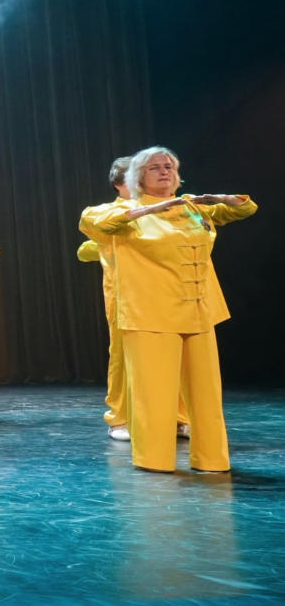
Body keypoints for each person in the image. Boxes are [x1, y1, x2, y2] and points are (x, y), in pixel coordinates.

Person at [79, 146, 255, 473]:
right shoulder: (124, 211)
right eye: (154, 167)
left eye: (169, 166)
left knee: (206, 395)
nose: (164, 171)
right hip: (151, 314)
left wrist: (222, 199)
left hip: (198, 310)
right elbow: (91, 222)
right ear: (137, 177)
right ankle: (154, 460)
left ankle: (212, 459)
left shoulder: (191, 207)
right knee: (154, 393)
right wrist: (151, 208)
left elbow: (245, 209)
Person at [77, 157, 191, 442]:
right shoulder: (112, 213)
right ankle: (120, 418)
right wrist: (103, 248)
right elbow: (86, 247)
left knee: (175, 356)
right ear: (120, 184)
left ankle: (178, 417)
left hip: (166, 293)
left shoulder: (163, 208)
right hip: (127, 297)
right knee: (123, 357)